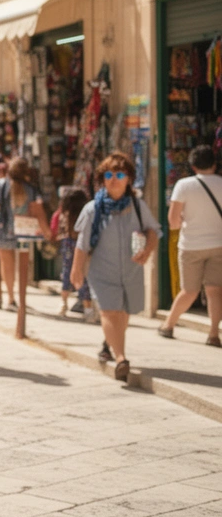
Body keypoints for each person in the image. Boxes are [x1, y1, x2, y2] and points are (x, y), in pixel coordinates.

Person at [71, 152, 161, 382]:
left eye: (119, 174)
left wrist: (148, 250)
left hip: (130, 270)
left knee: (123, 313)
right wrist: (76, 270)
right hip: (102, 271)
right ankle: (121, 359)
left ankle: (110, 344)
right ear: (102, 179)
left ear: (128, 178)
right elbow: (82, 244)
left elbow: (153, 230)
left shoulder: (138, 206)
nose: (114, 179)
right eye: (109, 174)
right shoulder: (93, 209)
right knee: (110, 311)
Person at [0, 156, 52, 338]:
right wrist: (46, 231)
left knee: (5, 264)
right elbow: (36, 210)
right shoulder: (30, 189)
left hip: (2, 230)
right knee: (21, 266)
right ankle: (15, 299)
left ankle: (8, 297)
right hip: (24, 232)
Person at [160, 145, 222, 347]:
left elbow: (173, 222)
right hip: (219, 245)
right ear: (214, 164)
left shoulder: (183, 185)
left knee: (189, 290)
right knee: (215, 291)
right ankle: (213, 334)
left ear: (193, 166)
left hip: (191, 246)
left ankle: (168, 325)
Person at [53, 187, 92, 318]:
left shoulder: (64, 214)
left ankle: (63, 304)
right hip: (83, 247)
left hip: (68, 245)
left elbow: (57, 229)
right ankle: (88, 309)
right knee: (84, 276)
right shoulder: (87, 214)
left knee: (67, 274)